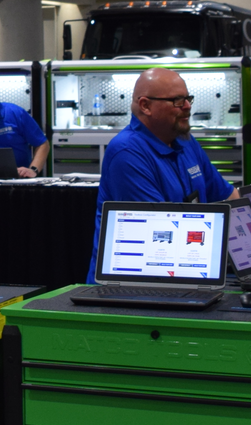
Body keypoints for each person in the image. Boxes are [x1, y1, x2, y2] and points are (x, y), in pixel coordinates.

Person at [87, 67, 233, 282]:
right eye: (177, 101)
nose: (188, 106)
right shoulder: (127, 152)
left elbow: (228, 197)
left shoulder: (185, 141)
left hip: (186, 269)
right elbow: (161, 234)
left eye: (188, 99)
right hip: (134, 285)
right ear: (146, 106)